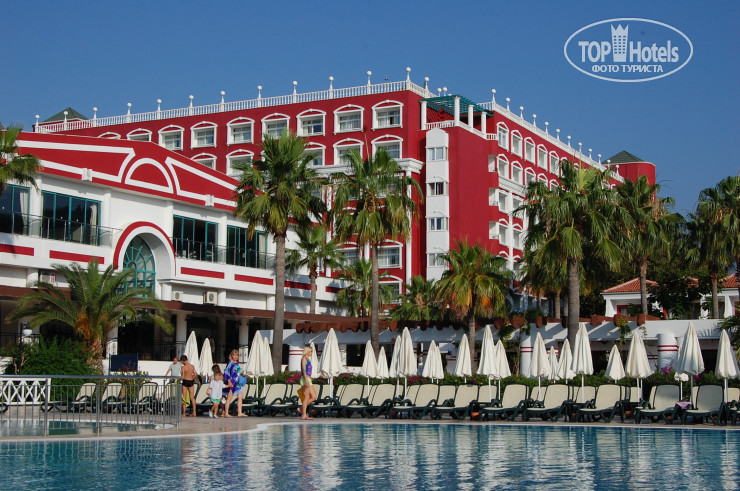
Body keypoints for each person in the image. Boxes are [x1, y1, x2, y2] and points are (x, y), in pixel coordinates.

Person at [224, 349, 246, 417]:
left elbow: (236, 373)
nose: (235, 357)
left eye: (237, 355)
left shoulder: (236, 363)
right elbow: (226, 372)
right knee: (229, 398)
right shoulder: (230, 363)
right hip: (231, 382)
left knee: (240, 396)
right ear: (231, 355)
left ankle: (239, 412)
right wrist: (229, 381)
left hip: (237, 382)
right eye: (234, 355)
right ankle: (226, 413)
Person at [299, 345, 317, 420]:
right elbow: (304, 370)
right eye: (311, 351)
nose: (312, 352)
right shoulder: (304, 359)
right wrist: (306, 380)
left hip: (309, 379)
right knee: (306, 397)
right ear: (307, 351)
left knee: (314, 397)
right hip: (305, 379)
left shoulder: (308, 359)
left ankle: (300, 408)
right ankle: (304, 415)